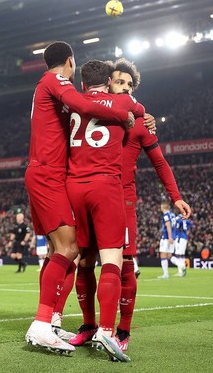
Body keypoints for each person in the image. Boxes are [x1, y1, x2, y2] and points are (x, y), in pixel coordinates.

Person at [24, 41, 138, 355]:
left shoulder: (60, 92)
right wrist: (129, 109)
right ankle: (44, 322)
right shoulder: (55, 81)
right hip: (50, 173)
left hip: (60, 177)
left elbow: (81, 106)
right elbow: (88, 107)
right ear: (70, 62)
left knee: (61, 251)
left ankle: (50, 318)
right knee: (69, 248)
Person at [102, 58, 191, 351]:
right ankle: (89, 326)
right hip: (91, 196)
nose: (125, 87)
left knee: (126, 264)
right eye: (119, 82)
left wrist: (175, 196)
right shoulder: (93, 114)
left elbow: (160, 163)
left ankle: (123, 332)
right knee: (86, 262)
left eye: (130, 84)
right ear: (108, 84)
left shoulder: (140, 124)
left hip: (123, 200)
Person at [65, 59, 144, 362]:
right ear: (109, 80)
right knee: (113, 258)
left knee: (84, 259)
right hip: (106, 187)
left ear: (83, 83)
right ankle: (107, 331)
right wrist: (142, 115)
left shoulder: (71, 102)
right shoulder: (121, 100)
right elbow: (138, 110)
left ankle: (85, 323)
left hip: (74, 188)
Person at [158, 201, 178, 279]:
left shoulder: (166, 215)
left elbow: (168, 226)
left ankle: (165, 274)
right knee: (169, 255)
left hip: (166, 237)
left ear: (163, 207)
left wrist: (169, 237)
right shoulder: (172, 214)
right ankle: (181, 265)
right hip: (173, 237)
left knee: (163, 254)